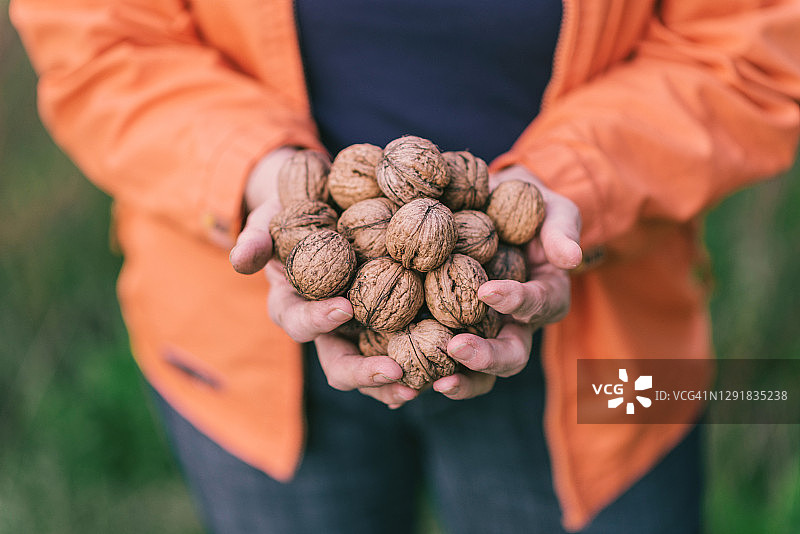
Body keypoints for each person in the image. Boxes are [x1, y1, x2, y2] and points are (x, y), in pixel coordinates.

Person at [10, 1, 800, 532]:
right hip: (239, 347)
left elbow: (756, 47)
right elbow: (99, 42)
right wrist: (260, 173)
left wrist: (577, 180)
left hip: (607, 336)